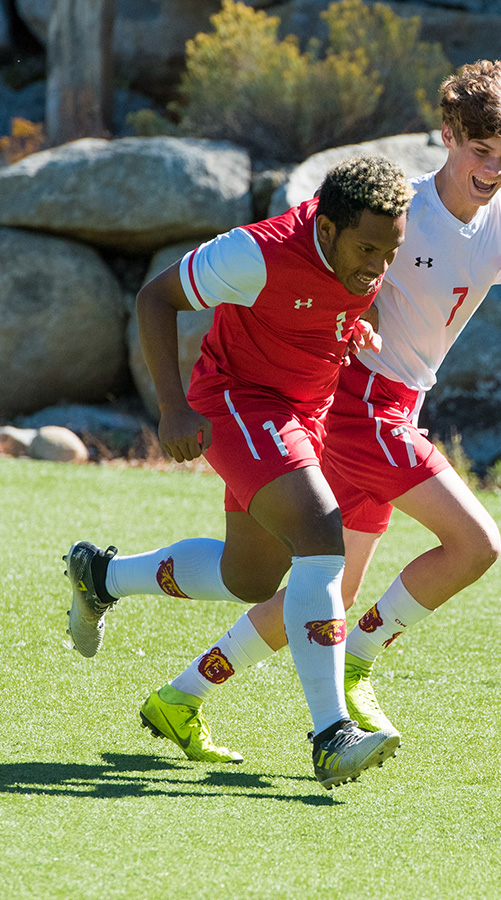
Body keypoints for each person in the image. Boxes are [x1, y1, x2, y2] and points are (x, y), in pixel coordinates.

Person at [66, 60, 501, 764]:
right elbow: (306, 266)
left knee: (292, 584)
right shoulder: (399, 212)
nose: (492, 170)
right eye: (479, 152)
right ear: (448, 136)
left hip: (372, 402)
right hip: (360, 406)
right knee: (472, 544)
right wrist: (177, 402)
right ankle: (344, 701)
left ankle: (172, 684)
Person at [63, 155, 414, 790]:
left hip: (301, 415)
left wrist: (352, 327)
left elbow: (332, 303)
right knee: (320, 533)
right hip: (236, 402)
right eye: (367, 249)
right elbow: (156, 297)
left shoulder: (363, 251)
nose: (378, 267)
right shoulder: (257, 253)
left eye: (390, 253)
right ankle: (332, 733)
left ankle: (101, 574)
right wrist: (172, 406)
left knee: (249, 577)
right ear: (327, 230)